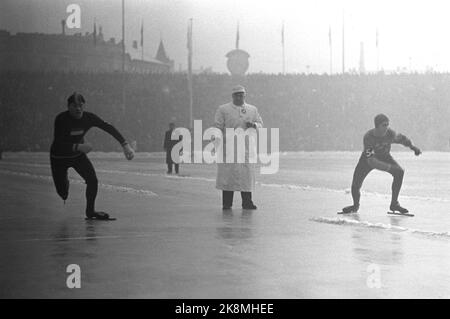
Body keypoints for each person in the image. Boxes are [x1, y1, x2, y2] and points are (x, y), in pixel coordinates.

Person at [50, 92, 135, 220]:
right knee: (63, 193)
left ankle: (90, 211)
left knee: (92, 180)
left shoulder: (88, 118)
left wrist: (125, 144)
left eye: (80, 105)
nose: (78, 108)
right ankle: (64, 185)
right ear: (68, 107)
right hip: (59, 158)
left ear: (84, 106)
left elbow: (107, 127)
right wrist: (78, 146)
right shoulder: (61, 119)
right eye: (74, 106)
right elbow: (58, 144)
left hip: (77, 156)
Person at [342, 113, 421, 214]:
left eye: (387, 125)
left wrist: (413, 147)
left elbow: (402, 139)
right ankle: (355, 205)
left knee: (400, 172)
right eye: (384, 125)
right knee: (355, 186)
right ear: (377, 126)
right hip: (367, 160)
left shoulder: (390, 134)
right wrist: (389, 168)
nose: (386, 128)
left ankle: (394, 204)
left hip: (384, 156)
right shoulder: (368, 137)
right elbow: (371, 161)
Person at [214, 85, 263, 210]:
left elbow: (260, 124)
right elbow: (218, 126)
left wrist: (254, 125)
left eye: (242, 95)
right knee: (228, 177)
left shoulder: (252, 109)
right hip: (229, 146)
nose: (239, 97)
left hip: (246, 147)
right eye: (237, 95)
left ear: (245, 96)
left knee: (246, 176)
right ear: (233, 96)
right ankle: (227, 203)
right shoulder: (223, 109)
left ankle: (247, 202)